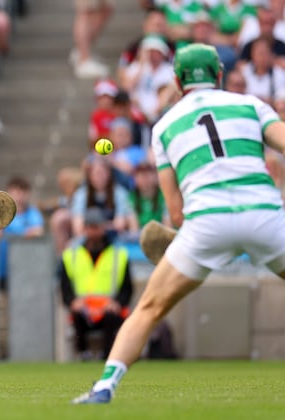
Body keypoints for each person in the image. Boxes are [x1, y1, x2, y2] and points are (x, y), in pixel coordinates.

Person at [74, 43, 285, 403]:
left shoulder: (165, 125)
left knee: (148, 309)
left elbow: (175, 212)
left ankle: (105, 386)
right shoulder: (251, 105)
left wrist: (195, 241)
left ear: (176, 79)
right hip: (264, 213)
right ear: (219, 75)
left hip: (206, 223)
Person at [60, 207, 133, 361]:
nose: (93, 232)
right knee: (77, 315)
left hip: (108, 310)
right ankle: (83, 353)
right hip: (85, 311)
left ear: (103, 228)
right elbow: (65, 286)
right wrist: (72, 301)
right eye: (90, 228)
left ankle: (107, 355)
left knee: (111, 317)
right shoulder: (71, 255)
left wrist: (117, 303)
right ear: (84, 229)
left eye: (97, 227)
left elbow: (127, 287)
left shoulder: (118, 254)